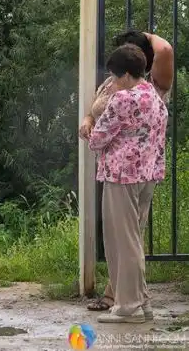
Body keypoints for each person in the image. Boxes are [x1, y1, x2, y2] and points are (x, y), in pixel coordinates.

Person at [79, 30, 173, 317]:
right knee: (132, 239)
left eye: (115, 75)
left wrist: (91, 133)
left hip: (121, 176)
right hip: (147, 176)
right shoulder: (155, 96)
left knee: (122, 242)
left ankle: (127, 308)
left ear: (126, 74)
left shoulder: (122, 99)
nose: (113, 81)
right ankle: (141, 302)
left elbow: (98, 140)